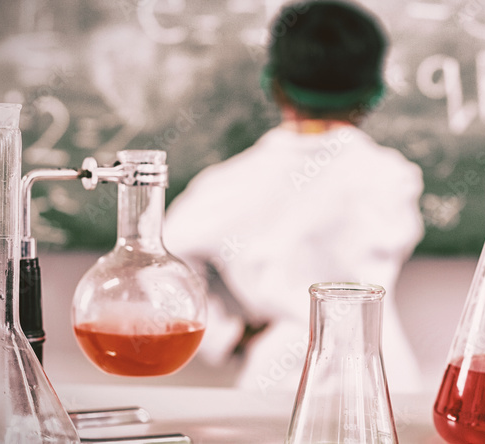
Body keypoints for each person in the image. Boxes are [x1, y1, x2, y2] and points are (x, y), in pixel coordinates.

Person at [163, 0, 425, 393]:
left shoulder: (226, 184)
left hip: (278, 387)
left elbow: (159, 266)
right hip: (384, 383)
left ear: (273, 84)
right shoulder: (394, 176)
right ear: (374, 91)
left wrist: (226, 337)